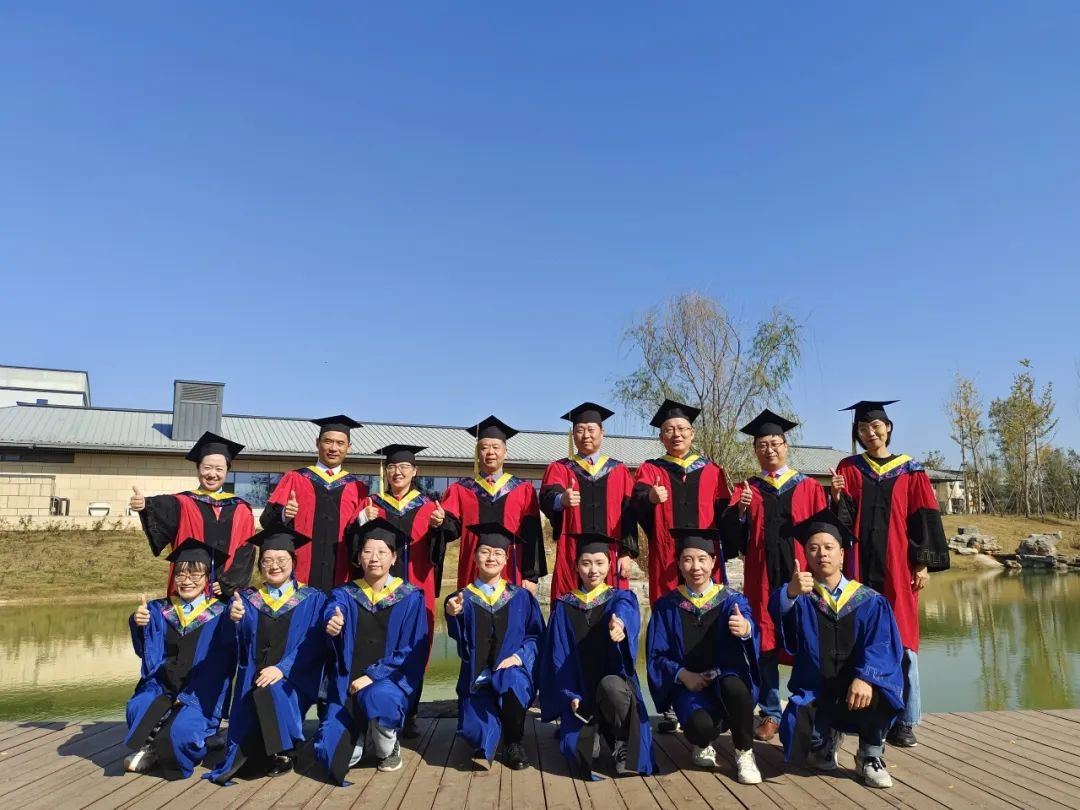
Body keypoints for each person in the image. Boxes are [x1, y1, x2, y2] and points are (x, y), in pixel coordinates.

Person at [832, 400, 949, 748]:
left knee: (904, 643)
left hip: (898, 567)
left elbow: (924, 517)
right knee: (857, 639)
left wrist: (922, 563)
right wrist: (836, 496)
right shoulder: (849, 468)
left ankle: (906, 720)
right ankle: (857, 715)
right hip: (858, 567)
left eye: (876, 426)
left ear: (888, 428)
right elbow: (840, 524)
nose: (870, 433)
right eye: (863, 428)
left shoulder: (911, 470)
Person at [769, 509, 905, 789]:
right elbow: (780, 619)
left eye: (829, 547)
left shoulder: (869, 601)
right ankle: (824, 742)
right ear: (806, 555)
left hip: (858, 691)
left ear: (842, 554)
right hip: (817, 691)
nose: (822, 554)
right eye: (813, 548)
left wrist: (866, 677)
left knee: (881, 689)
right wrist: (790, 592)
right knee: (796, 734)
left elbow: (882, 645)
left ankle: (870, 754)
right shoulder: (800, 596)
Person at [719, 409, 826, 742]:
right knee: (763, 642)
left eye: (775, 443)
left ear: (786, 446)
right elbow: (732, 542)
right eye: (762, 445)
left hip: (801, 577)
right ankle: (770, 712)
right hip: (761, 577)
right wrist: (739, 512)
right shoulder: (747, 489)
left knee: (806, 640)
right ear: (755, 450)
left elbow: (825, 535)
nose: (770, 450)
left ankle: (805, 708)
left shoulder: (809, 487)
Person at [313, 518, 429, 783]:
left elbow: (412, 649)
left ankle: (388, 745)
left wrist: (374, 676)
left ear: (394, 557)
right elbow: (332, 608)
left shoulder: (410, 597)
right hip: (348, 682)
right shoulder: (345, 593)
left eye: (381, 552)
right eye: (367, 551)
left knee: (380, 697)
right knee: (332, 755)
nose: (374, 558)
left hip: (389, 682)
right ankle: (359, 734)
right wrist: (332, 622)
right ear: (358, 558)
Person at [207, 528, 328, 784]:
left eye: (281, 559)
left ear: (293, 562)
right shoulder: (247, 599)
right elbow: (232, 643)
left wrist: (282, 668)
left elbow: (314, 644)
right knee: (244, 748)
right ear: (260, 565)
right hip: (252, 676)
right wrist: (234, 619)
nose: (274, 566)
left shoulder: (312, 598)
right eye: (267, 560)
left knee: (271, 691)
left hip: (293, 677)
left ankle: (285, 751)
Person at [645, 528, 762, 785]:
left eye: (701, 559)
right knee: (700, 727)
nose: (695, 567)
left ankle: (744, 752)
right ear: (678, 564)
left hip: (725, 678)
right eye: (687, 559)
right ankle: (703, 742)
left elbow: (748, 622)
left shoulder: (731, 600)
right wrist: (683, 675)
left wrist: (746, 629)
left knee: (736, 687)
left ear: (713, 561)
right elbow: (656, 655)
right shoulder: (667, 606)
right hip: (689, 686)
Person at [537, 532, 655, 779]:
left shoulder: (619, 598)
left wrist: (620, 625)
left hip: (612, 690)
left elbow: (626, 612)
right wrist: (570, 695)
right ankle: (595, 733)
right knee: (577, 752)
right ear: (576, 567)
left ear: (610, 565)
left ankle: (622, 741)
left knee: (612, 685)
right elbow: (557, 658)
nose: (593, 570)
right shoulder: (564, 606)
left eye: (600, 563)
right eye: (586, 563)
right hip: (579, 694)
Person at [349, 443, 446, 737]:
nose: (397, 472)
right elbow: (353, 544)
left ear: (415, 471)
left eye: (404, 467)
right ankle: (374, 711)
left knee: (416, 647)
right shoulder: (371, 504)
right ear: (385, 471)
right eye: (392, 467)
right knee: (378, 643)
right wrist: (361, 521)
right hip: (376, 590)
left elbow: (440, 548)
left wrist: (439, 527)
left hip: (417, 587)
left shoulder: (428, 506)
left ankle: (410, 711)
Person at [124, 539, 237, 778]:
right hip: (163, 685)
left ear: (208, 578)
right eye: (181, 574)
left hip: (200, 692)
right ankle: (150, 748)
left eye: (195, 574)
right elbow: (147, 649)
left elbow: (232, 652)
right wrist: (138, 622)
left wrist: (238, 620)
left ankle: (204, 740)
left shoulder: (221, 612)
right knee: (138, 706)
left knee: (181, 735)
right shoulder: (159, 609)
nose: (187, 581)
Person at [444, 522, 544, 769]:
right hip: (477, 678)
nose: (491, 558)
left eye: (498, 553)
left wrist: (519, 657)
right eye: (485, 551)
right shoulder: (462, 598)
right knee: (476, 734)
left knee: (512, 680)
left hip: (511, 672)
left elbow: (536, 636)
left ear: (507, 558)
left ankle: (514, 742)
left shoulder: (520, 596)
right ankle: (494, 718)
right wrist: (454, 614)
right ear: (475, 556)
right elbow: (459, 638)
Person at [129, 431, 255, 598]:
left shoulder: (241, 508)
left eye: (219, 469)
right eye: (207, 467)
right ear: (198, 468)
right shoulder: (183, 503)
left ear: (227, 471)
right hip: (189, 587)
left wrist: (229, 582)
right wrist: (145, 505)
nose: (212, 474)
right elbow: (162, 506)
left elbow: (246, 550)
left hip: (225, 592)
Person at [540, 402, 639, 603]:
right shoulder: (560, 468)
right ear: (573, 435)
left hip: (611, 551)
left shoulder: (618, 470)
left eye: (591, 430)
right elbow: (547, 498)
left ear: (602, 433)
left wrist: (627, 553)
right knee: (568, 604)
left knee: (612, 608)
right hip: (571, 551)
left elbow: (629, 513)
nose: (586, 435)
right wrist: (562, 500)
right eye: (580, 430)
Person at [260, 415, 369, 593]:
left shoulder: (358, 487)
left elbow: (360, 536)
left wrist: (363, 520)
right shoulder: (295, 478)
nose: (333, 448)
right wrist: (284, 514)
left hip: (342, 574)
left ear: (348, 447)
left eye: (340, 443)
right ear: (317, 443)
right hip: (300, 572)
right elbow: (266, 520)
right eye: (328, 441)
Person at [440, 416, 546, 592]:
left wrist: (531, 575)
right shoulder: (461, 489)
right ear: (477, 453)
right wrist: (439, 521)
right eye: (484, 448)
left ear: (505, 452)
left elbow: (532, 534)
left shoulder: (523, 489)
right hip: (472, 570)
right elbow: (450, 530)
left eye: (496, 447)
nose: (490, 452)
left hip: (512, 569)